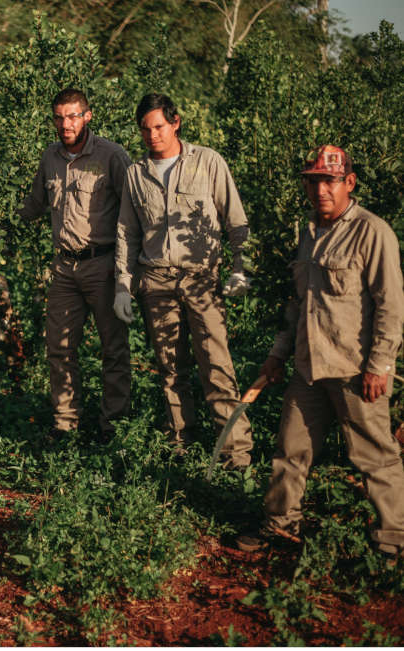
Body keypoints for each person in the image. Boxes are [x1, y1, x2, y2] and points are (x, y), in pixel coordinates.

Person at [237, 145, 404, 558]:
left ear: (348, 183)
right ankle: (279, 524)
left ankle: (393, 541)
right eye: (312, 181)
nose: (320, 190)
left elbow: (390, 305)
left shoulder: (373, 231)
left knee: (376, 459)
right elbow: (298, 305)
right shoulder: (309, 231)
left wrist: (379, 364)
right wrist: (278, 355)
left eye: (328, 181)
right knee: (290, 451)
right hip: (309, 367)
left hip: (355, 370)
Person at [113, 93, 253, 468]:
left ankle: (234, 453)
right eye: (145, 129)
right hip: (155, 281)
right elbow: (127, 233)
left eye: (158, 126)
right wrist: (123, 286)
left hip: (201, 279)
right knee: (171, 368)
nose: (152, 135)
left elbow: (235, 220)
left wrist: (240, 266)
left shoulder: (208, 162)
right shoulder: (135, 174)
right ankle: (181, 444)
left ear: (175, 123)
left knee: (217, 365)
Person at [18, 87, 133, 438]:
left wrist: (127, 271)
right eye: (59, 117)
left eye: (72, 116)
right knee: (60, 348)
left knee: (113, 349)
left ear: (87, 116)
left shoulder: (112, 156)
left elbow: (132, 212)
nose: (65, 124)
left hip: (103, 265)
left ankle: (113, 425)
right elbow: (35, 204)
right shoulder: (50, 157)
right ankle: (66, 423)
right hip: (65, 268)